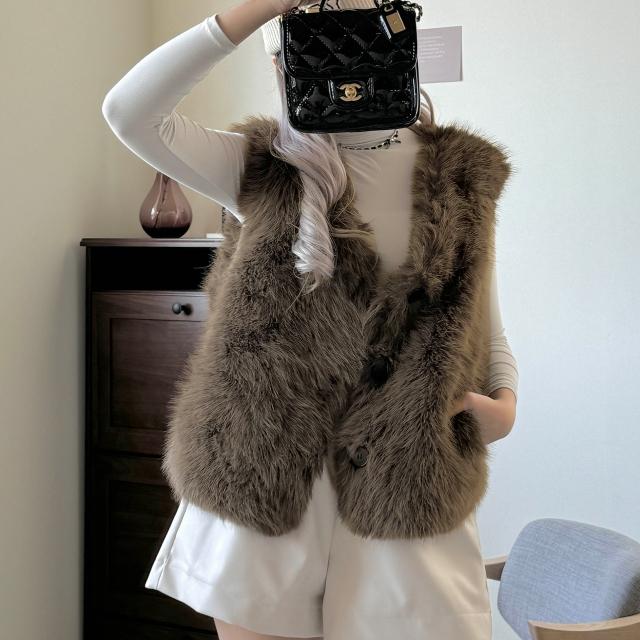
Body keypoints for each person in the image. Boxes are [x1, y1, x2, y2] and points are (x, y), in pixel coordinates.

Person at [101, 1, 519, 638]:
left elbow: (483, 318)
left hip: (405, 484)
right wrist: (258, 9)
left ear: (400, 39)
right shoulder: (262, 166)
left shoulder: (462, 175)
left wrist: (505, 404)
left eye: (362, 29)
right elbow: (129, 112)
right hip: (263, 479)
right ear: (284, 56)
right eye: (317, 34)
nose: (343, 50)